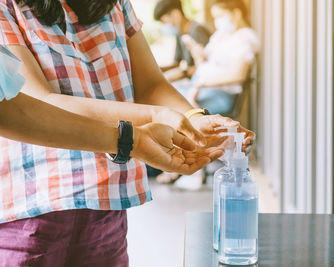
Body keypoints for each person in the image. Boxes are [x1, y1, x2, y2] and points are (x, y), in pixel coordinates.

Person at [0, 0, 254, 266]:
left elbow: (151, 83)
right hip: (34, 202)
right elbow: (36, 105)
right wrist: (157, 119)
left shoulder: (115, 4)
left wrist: (192, 119)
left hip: (108, 195)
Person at [156, 0, 260, 186]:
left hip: (218, 93)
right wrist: (196, 52)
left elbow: (238, 74)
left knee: (173, 106)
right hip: (202, 87)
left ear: (236, 13)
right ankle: (173, 159)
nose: (218, 22)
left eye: (220, 16)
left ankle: (177, 162)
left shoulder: (244, 38)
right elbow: (206, 60)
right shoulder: (223, 35)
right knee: (166, 99)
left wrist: (201, 84)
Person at [154, 0, 211, 82]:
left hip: (203, 81)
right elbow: (176, 62)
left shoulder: (197, 30)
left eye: (164, 21)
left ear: (175, 14)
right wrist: (157, 70)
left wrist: (183, 73)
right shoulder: (180, 33)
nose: (165, 26)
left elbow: (208, 64)